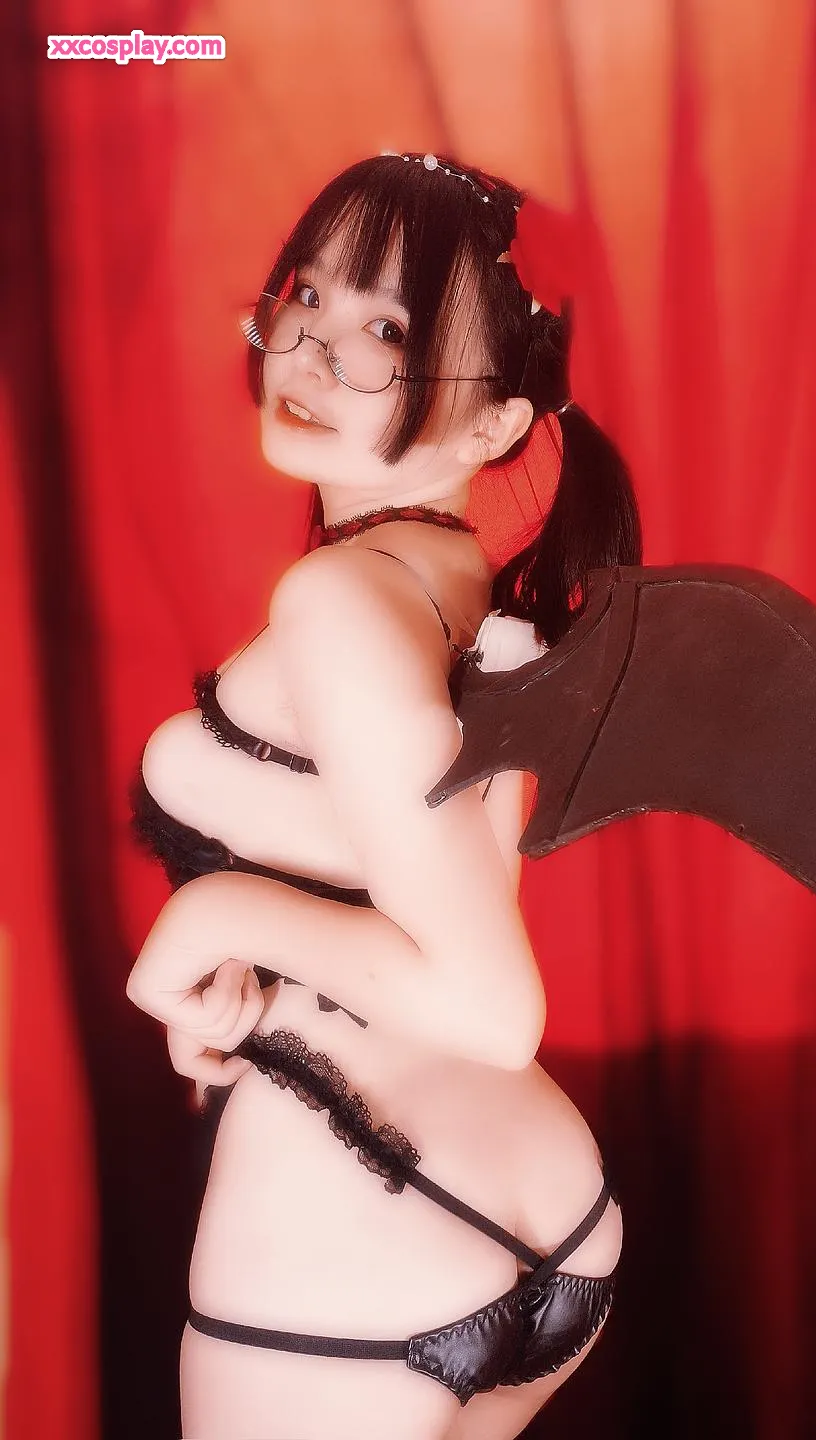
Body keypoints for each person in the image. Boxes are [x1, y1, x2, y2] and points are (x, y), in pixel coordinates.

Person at [126, 152, 638, 1440]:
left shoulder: (343, 601)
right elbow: (440, 880)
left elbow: (490, 1006)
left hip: (359, 1207)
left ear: (494, 429)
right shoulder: (454, 580)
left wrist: (210, 918)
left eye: (390, 331)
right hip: (519, 1198)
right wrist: (234, 986)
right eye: (310, 295)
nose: (313, 348)